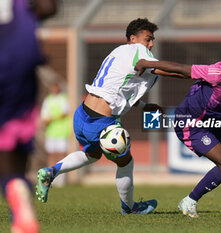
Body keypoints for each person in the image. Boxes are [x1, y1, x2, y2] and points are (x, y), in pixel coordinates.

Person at [35, 18, 179, 215]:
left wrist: (144, 105)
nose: (151, 44)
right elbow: (168, 70)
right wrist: (198, 72)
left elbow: (120, 89)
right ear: (133, 38)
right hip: (102, 122)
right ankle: (130, 208)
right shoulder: (138, 50)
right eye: (148, 39)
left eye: (153, 40)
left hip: (82, 114)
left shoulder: (118, 52)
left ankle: (51, 172)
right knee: (126, 162)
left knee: (91, 155)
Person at [135, 39, 221, 218]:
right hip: (192, 123)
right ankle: (189, 201)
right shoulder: (219, 72)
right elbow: (182, 69)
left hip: (218, 118)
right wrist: (147, 64)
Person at [0, 0, 57, 232]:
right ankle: (18, 194)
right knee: (12, 149)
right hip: (19, 64)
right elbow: (48, 7)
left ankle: (14, 186)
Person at [41, 81, 71, 187]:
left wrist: (51, 118)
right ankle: (50, 177)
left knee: (61, 154)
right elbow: (44, 116)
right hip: (51, 132)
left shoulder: (64, 98)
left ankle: (61, 179)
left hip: (62, 132)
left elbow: (64, 113)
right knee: (52, 155)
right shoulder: (48, 100)